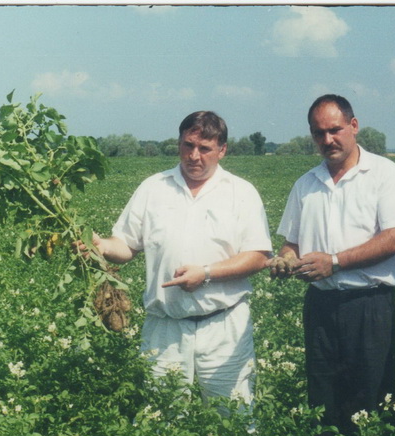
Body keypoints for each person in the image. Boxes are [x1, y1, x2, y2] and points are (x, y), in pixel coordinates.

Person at [87, 110, 272, 410]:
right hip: (165, 327)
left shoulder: (241, 193)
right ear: (179, 144)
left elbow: (258, 256)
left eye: (204, 148)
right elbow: (126, 245)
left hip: (223, 325)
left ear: (222, 150)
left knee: (233, 418)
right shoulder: (153, 188)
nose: (194, 155)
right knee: (162, 419)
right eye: (188, 145)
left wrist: (207, 273)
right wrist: (101, 246)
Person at [272, 94, 395, 436]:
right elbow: (292, 242)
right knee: (324, 396)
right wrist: (285, 260)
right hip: (320, 306)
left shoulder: (385, 175)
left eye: (335, 130)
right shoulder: (307, 184)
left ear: (353, 126)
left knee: (369, 395)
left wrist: (334, 262)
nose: (328, 140)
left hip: (368, 305)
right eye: (319, 133)